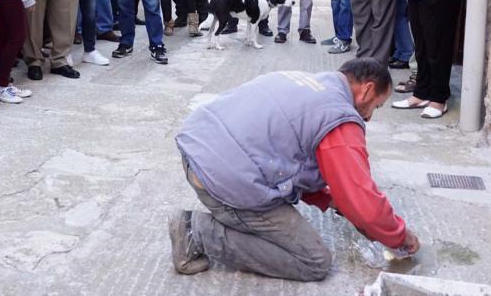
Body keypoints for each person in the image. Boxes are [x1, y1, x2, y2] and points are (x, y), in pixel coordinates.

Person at [169, 58, 421, 279]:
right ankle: (197, 233)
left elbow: (288, 161)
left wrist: (330, 200)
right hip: (224, 180)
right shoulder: (339, 117)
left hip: (196, 151)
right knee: (314, 261)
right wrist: (400, 237)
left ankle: (209, 227)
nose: (369, 117)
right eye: (375, 106)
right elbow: (362, 199)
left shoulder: (298, 81)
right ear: (366, 90)